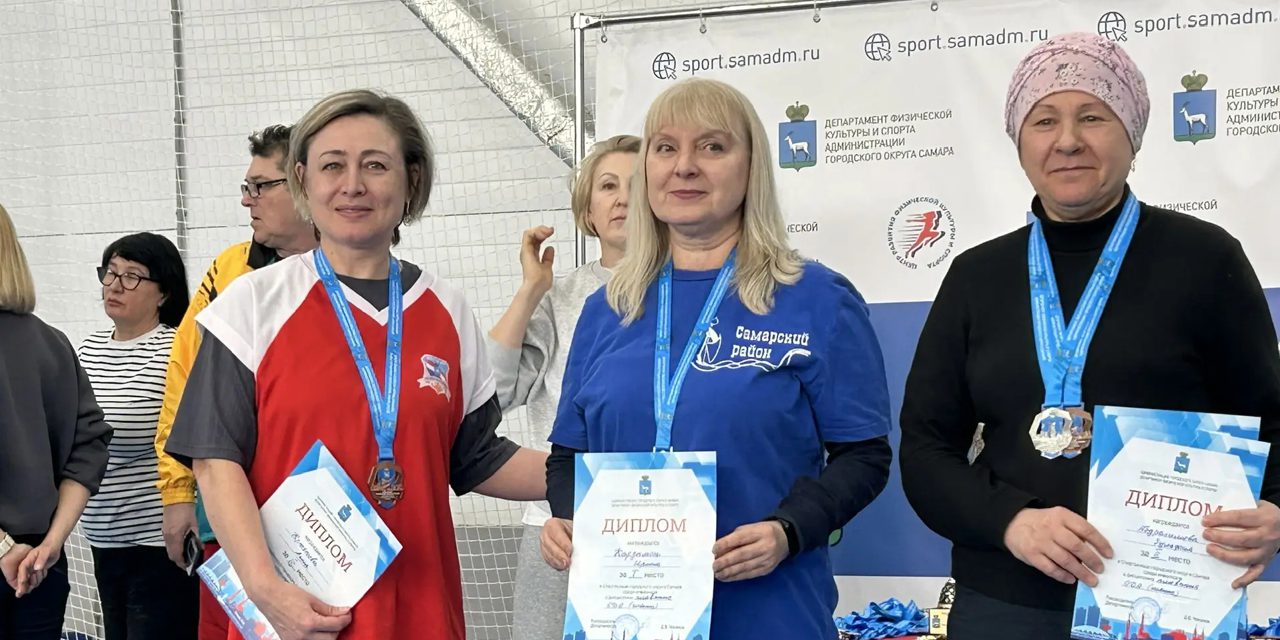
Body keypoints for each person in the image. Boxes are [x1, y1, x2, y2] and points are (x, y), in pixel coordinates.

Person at [898, 33, 1280, 639]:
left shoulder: (1207, 260)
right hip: (1005, 603)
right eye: (1044, 120)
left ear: (1132, 134)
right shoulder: (976, 276)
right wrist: (1011, 521)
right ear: (1020, 142)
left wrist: (1276, 510)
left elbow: (1271, 421)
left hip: (1166, 604)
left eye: (1093, 116)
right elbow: (924, 449)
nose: (1068, 140)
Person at [164, 89, 547, 640]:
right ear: (303, 180)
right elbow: (214, 462)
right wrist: (266, 590)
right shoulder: (249, 306)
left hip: (420, 614)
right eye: (332, 166)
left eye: (375, 165)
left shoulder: (446, 309)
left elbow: (477, 458)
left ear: (412, 179)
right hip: (295, 619)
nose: (352, 185)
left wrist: (598, 475)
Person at [540, 78, 893, 640]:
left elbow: (865, 456)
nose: (685, 166)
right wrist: (566, 519)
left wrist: (789, 530)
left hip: (769, 617)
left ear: (751, 167)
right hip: (629, 618)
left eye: (712, 146)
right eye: (665, 147)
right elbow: (567, 458)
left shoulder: (817, 299)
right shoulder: (606, 310)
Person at [152, 124, 318, 640]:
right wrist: (177, 492)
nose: (247, 200)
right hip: (228, 513)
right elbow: (184, 379)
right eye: (247, 187)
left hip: (322, 520)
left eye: (260, 186)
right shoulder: (230, 271)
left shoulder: (356, 272)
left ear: (303, 185)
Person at [486, 134, 639, 638]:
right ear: (588, 211)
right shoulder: (561, 297)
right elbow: (494, 394)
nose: (623, 198)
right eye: (608, 186)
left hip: (659, 521)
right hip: (561, 526)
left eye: (637, 186)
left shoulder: (693, 292)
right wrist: (531, 290)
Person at [0, 203, 111, 639]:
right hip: (41, 565)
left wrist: (7, 549)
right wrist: (49, 545)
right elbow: (88, 450)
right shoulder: (52, 342)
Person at [77, 232, 194, 639]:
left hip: (158, 540)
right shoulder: (88, 349)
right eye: (110, 273)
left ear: (163, 293)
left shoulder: (176, 349)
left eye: (131, 277)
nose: (114, 286)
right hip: (101, 535)